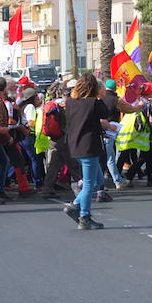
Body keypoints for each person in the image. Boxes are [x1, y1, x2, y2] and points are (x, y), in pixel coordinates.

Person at [62, 72, 109, 230]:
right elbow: (105, 113)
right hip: (89, 146)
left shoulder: (70, 103)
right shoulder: (93, 103)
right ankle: (84, 215)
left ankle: (77, 207)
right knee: (90, 184)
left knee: (96, 181)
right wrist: (98, 98)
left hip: (75, 145)